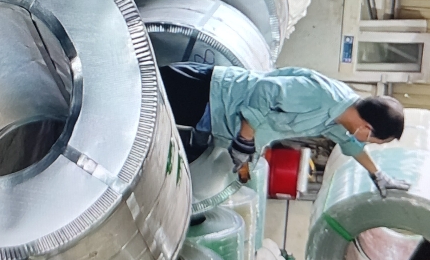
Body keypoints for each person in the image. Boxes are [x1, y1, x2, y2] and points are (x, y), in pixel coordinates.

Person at [160, 63, 410, 198]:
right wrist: (246, 136)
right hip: (206, 93)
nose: (366, 143)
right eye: (372, 140)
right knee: (144, 94)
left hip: (215, 118)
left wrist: (378, 175)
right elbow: (265, 90)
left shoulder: (340, 119)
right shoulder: (323, 97)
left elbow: (352, 146)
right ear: (366, 128)